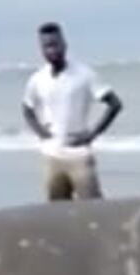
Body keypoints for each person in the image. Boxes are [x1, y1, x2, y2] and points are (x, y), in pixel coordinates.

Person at [22, 22, 123, 201]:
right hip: (52, 155)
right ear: (42, 50)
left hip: (79, 155)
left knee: (92, 208)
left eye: (55, 45)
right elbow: (27, 108)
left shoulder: (84, 74)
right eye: (47, 46)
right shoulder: (38, 79)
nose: (52, 50)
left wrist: (92, 134)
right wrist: (41, 132)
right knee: (57, 210)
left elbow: (115, 104)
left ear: (64, 45)